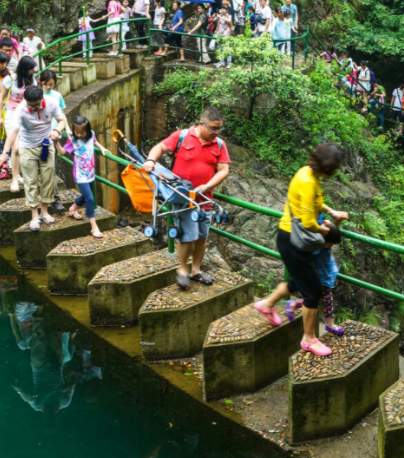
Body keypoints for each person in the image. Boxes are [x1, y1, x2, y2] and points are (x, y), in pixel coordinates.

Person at [252, 143, 349, 357]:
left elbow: (314, 202)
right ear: (328, 168)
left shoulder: (307, 173)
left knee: (298, 281)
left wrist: (331, 211)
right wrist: (326, 229)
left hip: (290, 238)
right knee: (312, 291)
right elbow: (307, 222)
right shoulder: (307, 181)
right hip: (293, 241)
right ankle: (309, 339)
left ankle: (266, 305)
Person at [142, 107, 231, 289]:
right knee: (186, 236)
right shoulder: (182, 136)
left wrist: (206, 186)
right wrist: (151, 160)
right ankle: (182, 270)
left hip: (204, 199)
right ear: (201, 124)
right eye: (213, 128)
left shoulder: (220, 145)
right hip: (182, 197)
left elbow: (224, 170)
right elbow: (160, 147)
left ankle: (196, 270)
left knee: (201, 237)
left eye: (219, 129)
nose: (216, 133)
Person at [0, 86, 67, 230]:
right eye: (31, 105)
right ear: (25, 101)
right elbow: (14, 132)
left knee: (48, 179)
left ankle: (45, 212)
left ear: (42, 98)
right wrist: (5, 153)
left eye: (37, 104)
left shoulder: (51, 103)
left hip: (46, 146)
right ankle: (34, 216)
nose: (35, 108)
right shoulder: (21, 110)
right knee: (31, 181)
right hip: (27, 147)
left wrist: (56, 130)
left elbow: (61, 120)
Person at [62, 115, 105, 238]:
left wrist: (102, 148)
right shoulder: (72, 140)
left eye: (82, 132)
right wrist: (55, 143)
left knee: (86, 195)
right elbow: (63, 152)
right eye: (77, 132)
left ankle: (72, 208)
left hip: (90, 172)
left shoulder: (91, 134)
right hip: (80, 175)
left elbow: (95, 141)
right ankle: (94, 227)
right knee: (90, 199)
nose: (80, 134)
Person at [7, 56, 38, 192]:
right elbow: (3, 95)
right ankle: (14, 178)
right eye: (32, 68)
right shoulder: (11, 79)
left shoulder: (32, 80)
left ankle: (19, 174)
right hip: (12, 113)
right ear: (25, 69)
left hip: (27, 114)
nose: (34, 70)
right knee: (16, 147)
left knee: (23, 148)